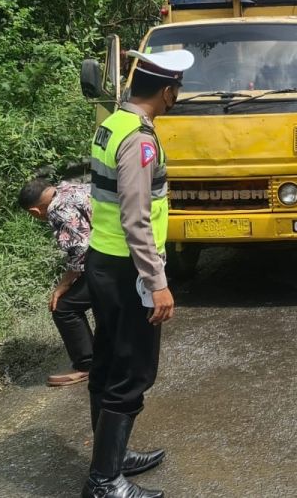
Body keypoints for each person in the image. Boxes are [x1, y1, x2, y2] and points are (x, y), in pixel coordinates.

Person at [81, 48, 194, 498]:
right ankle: (104, 481)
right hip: (130, 270)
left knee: (109, 362)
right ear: (167, 92)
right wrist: (157, 282)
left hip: (104, 260)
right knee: (133, 371)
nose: (176, 96)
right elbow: (136, 218)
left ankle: (111, 457)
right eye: (177, 89)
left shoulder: (112, 123)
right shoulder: (140, 140)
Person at [18, 177, 94, 387]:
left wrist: (63, 285)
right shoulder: (73, 188)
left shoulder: (57, 210)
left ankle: (86, 365)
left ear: (35, 211)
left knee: (63, 307)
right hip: (127, 250)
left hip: (110, 263)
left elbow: (81, 251)